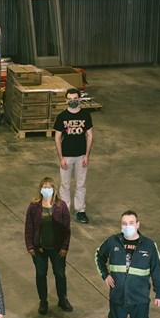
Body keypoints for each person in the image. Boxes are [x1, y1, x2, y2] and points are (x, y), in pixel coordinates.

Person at [95, 210, 160, 318]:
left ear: (138, 224)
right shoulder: (113, 241)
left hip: (140, 299)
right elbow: (98, 256)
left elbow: (157, 271)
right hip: (118, 297)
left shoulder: (149, 245)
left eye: (131, 223)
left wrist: (159, 293)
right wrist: (105, 275)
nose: (128, 226)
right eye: (124, 223)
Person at [24, 177, 72, 315]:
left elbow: (67, 228)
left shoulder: (61, 206)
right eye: (44, 187)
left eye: (49, 186)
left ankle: (62, 299)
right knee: (40, 274)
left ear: (54, 189)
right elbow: (29, 227)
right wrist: (30, 246)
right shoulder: (34, 206)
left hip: (57, 249)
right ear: (40, 189)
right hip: (39, 248)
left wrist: (65, 247)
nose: (47, 189)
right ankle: (43, 301)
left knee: (60, 274)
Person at [54, 88, 93, 224]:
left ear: (79, 99)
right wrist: (61, 158)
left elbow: (90, 135)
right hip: (66, 156)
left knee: (81, 184)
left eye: (75, 98)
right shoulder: (62, 117)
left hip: (81, 156)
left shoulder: (86, 115)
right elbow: (57, 138)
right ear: (66, 100)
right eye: (70, 99)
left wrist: (87, 155)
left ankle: (80, 211)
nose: (73, 101)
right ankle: (64, 211)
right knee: (64, 185)